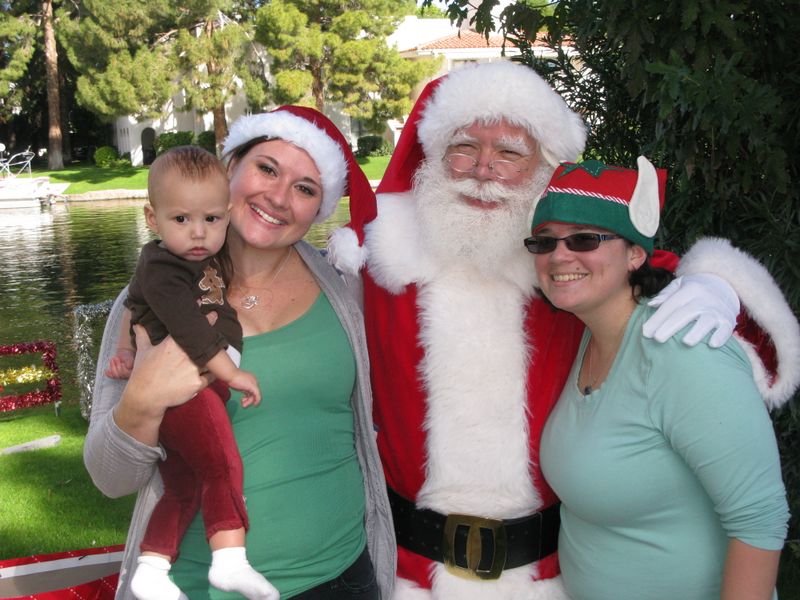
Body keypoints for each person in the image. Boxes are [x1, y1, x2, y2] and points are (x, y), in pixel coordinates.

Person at [327, 61, 800, 598]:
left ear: (544, 168)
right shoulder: (377, 266)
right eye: (464, 147)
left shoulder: (566, 270)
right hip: (409, 575)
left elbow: (657, 279)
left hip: (548, 578)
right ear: (433, 155)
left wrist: (717, 285)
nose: (483, 169)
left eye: (509, 152)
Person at [85, 106, 396, 600]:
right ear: (230, 170)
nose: (278, 196)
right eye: (267, 168)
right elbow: (110, 478)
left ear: (321, 208)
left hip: (341, 578)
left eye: (306, 188)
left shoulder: (345, 293)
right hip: (192, 587)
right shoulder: (151, 298)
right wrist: (142, 399)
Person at [533, 157, 789, 599]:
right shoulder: (587, 335)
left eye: (585, 238)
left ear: (635, 253)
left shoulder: (684, 352)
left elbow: (760, 520)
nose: (560, 255)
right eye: (545, 241)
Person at [104, 146, 276, 600]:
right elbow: (190, 329)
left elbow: (130, 305)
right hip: (184, 389)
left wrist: (124, 348)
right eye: (181, 220)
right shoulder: (162, 266)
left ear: (228, 214)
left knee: (182, 484)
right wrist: (232, 373)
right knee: (222, 462)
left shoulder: (203, 257)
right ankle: (230, 559)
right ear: (152, 218)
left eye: (212, 219)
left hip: (195, 388)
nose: (198, 232)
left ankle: (152, 568)